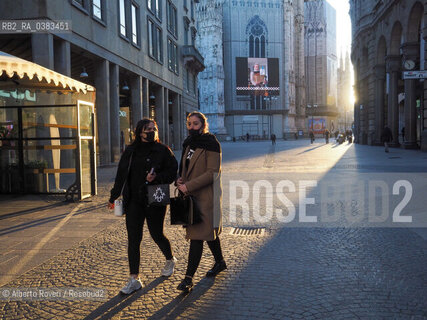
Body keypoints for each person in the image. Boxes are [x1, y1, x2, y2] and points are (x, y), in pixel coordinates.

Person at [108, 118, 178, 295]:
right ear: (139, 132)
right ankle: (134, 279)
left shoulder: (163, 150)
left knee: (156, 233)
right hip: (134, 200)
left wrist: (158, 177)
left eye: (154, 128)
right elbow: (121, 175)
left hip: (156, 197)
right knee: (133, 239)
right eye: (148, 129)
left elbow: (173, 172)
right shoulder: (131, 151)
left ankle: (170, 259)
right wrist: (113, 196)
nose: (151, 131)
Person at [176, 111, 226, 292]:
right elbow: (185, 168)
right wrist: (179, 180)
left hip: (205, 197)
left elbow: (213, 173)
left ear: (203, 125)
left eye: (195, 124)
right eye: (189, 124)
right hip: (190, 196)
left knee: (197, 237)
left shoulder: (211, 144)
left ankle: (188, 279)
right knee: (208, 234)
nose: (191, 127)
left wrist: (188, 186)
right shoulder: (188, 144)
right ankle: (220, 262)